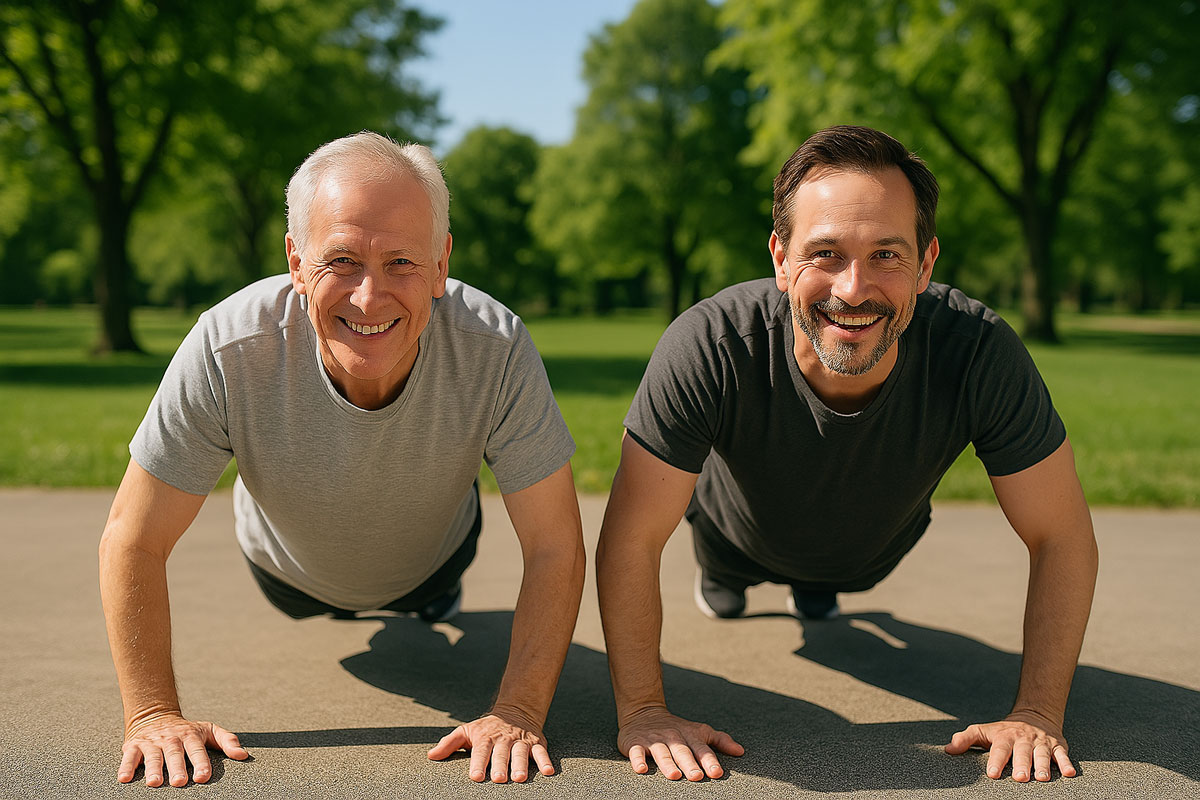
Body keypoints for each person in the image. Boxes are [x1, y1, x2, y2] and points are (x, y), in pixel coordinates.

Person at [595, 125, 1098, 784]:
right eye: (825, 252)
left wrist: (1037, 712)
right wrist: (643, 711)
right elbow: (631, 539)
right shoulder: (710, 343)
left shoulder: (978, 350)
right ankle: (728, 577)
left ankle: (816, 588)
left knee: (828, 591)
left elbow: (1061, 535)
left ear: (925, 264)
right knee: (729, 579)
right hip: (733, 535)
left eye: (887, 254)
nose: (854, 288)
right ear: (780, 259)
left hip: (870, 551)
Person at [98, 132, 585, 788]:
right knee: (337, 615)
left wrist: (519, 711)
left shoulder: (494, 347)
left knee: (423, 602)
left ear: (442, 264)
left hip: (434, 563)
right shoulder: (227, 346)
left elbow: (555, 545)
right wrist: (151, 714)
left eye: (402, 263)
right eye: (342, 261)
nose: (367, 296)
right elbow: (133, 536)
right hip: (286, 575)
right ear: (296, 263)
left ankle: (429, 601)